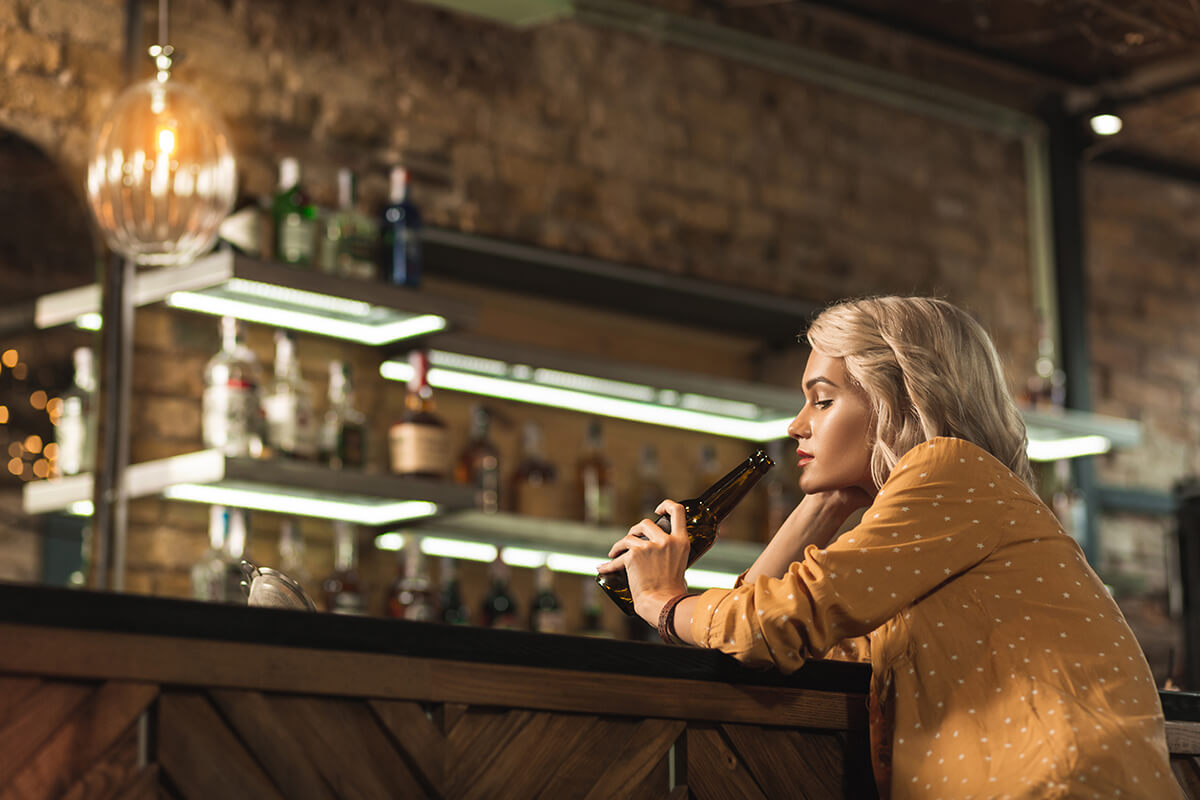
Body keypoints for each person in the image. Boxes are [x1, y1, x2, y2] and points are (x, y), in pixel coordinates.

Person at [598, 296, 1181, 799]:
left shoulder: (951, 468)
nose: (796, 425)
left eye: (821, 400)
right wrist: (823, 506)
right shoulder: (927, 536)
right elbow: (759, 644)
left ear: (896, 401)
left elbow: (773, 622)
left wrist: (664, 603)